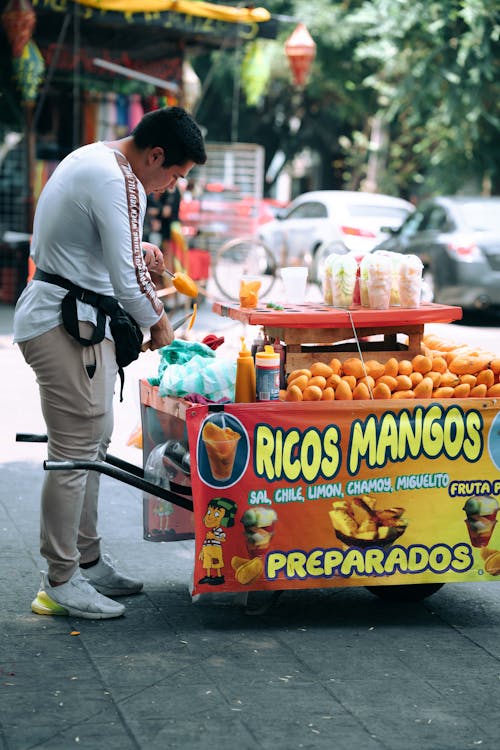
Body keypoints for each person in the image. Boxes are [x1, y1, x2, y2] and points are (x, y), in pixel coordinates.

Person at [13, 106, 207, 619]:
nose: (171, 186)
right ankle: (60, 580)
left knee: (92, 445)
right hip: (62, 324)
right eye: (174, 174)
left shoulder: (102, 163)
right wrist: (160, 322)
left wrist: (140, 248)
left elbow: (101, 248)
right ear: (156, 154)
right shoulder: (118, 178)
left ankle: (88, 561)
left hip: (71, 321)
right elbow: (125, 278)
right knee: (76, 452)